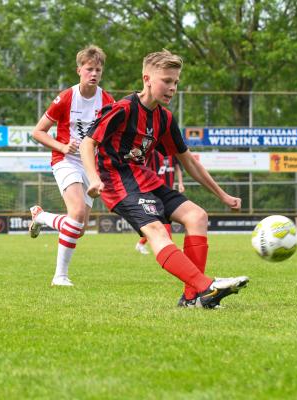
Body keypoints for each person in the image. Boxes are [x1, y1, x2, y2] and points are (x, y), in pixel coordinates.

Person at [80, 49, 249, 309]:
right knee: (157, 231)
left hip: (146, 179)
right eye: (166, 81)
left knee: (197, 217)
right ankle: (207, 287)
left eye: (176, 82)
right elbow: (87, 144)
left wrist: (222, 195)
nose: (172, 88)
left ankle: (193, 298)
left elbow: (188, 160)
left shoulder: (165, 118)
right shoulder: (123, 109)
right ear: (147, 79)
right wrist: (93, 178)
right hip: (117, 182)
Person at [29, 45, 115, 286]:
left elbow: (111, 138)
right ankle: (60, 276)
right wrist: (62, 147)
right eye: (89, 69)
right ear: (79, 70)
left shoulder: (108, 101)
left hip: (91, 167)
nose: (94, 73)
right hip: (65, 160)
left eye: (98, 69)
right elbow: (38, 132)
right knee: (75, 214)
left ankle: (41, 216)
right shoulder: (67, 97)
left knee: (79, 228)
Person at [135, 151, 184, 255]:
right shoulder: (153, 153)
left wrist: (180, 183)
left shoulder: (172, 153)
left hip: (168, 192)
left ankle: (141, 244)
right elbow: (145, 168)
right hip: (156, 191)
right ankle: (171, 249)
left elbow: (177, 168)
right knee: (163, 221)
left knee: (162, 222)